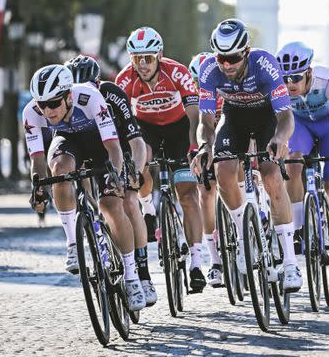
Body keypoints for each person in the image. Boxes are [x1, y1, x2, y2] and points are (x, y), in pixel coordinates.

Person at [191, 19, 302, 293]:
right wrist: (205, 147)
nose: (226, 66)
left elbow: (286, 116)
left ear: (246, 51)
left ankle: (289, 262)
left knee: (271, 174)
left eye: (233, 58)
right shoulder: (208, 70)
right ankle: (243, 241)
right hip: (234, 117)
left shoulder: (265, 64)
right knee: (223, 171)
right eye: (221, 59)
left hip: (267, 117)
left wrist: (280, 138)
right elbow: (206, 122)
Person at [25, 64, 146, 311]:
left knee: (111, 204)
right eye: (42, 104)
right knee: (59, 170)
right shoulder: (31, 113)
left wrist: (115, 178)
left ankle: (132, 276)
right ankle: (72, 243)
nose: (47, 111)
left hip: (101, 144)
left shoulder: (89, 97)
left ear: (69, 96)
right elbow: (37, 161)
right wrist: (37, 188)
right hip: (69, 143)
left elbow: (113, 147)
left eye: (54, 103)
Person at [115, 27, 207, 292]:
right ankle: (148, 209)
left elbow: (193, 112)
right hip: (146, 129)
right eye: (137, 58)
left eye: (148, 58)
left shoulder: (177, 72)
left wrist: (193, 146)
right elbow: (121, 120)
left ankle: (196, 262)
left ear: (159, 56)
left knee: (188, 195)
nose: (142, 64)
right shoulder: (125, 79)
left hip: (179, 128)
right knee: (142, 160)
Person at [64, 55, 157, 305]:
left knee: (127, 200)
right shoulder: (63, 105)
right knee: (98, 203)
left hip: (118, 148)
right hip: (87, 151)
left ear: (97, 83)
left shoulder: (112, 94)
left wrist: (135, 173)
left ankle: (142, 274)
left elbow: (136, 142)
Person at [276, 41, 329, 273]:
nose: (290, 85)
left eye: (296, 78)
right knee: (293, 162)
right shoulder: (281, 86)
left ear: (309, 72)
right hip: (300, 126)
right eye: (285, 79)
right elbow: (280, 124)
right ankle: (299, 228)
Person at [187, 51, 224, 287]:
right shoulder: (190, 97)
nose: (202, 86)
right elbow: (192, 129)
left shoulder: (226, 89)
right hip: (206, 143)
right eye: (197, 82)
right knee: (206, 193)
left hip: (232, 139)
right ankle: (216, 261)